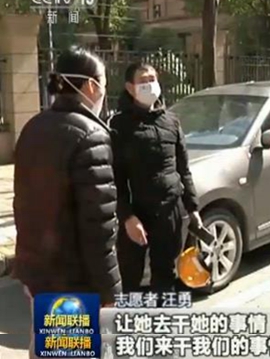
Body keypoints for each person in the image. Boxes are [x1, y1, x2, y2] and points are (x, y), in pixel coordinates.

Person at [13, 47, 121, 357]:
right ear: (91, 86)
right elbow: (98, 226)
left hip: (37, 272)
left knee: (45, 348)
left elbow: (23, 203)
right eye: (103, 83)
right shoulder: (91, 135)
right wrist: (110, 289)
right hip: (73, 280)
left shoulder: (33, 127)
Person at [109, 63, 202, 296]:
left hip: (170, 210)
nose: (149, 85)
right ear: (130, 88)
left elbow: (184, 169)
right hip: (137, 213)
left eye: (152, 79)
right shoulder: (119, 125)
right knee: (130, 276)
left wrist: (192, 208)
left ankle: (162, 316)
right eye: (143, 80)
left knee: (165, 272)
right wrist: (127, 217)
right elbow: (115, 178)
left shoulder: (171, 121)